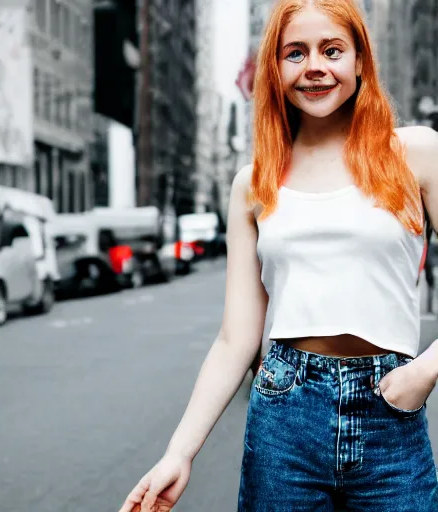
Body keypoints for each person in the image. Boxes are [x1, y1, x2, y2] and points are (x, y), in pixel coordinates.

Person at [119, 0, 438, 510]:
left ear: (360, 61)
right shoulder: (254, 182)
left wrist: (425, 370)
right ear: (276, 69)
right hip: (285, 415)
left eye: (332, 49)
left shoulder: (416, 153)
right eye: (295, 53)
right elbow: (235, 339)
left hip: (391, 414)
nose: (314, 66)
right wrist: (179, 454)